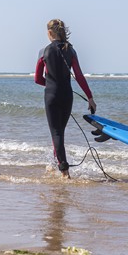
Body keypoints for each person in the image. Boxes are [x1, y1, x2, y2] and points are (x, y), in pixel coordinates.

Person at [34, 19, 96, 178]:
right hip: (67, 95)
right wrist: (90, 98)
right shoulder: (71, 51)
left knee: (56, 133)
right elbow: (79, 76)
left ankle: (64, 171)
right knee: (60, 132)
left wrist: (50, 86)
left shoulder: (44, 51)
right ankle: (57, 163)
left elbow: (37, 79)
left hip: (52, 95)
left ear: (49, 33)